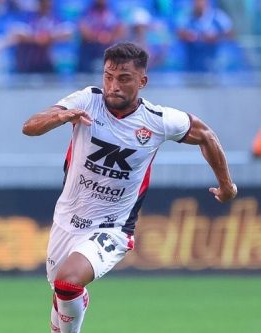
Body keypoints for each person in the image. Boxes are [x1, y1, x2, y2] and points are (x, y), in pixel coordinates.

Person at [22, 42, 237, 333]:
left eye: (123, 78)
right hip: (66, 219)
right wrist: (61, 116)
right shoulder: (87, 100)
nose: (113, 85)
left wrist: (227, 186)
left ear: (142, 81)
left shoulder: (158, 120)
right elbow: (30, 127)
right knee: (62, 292)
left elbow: (206, 136)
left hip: (113, 227)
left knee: (67, 282)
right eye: (108, 76)